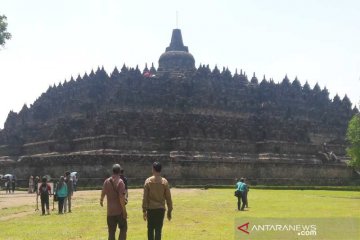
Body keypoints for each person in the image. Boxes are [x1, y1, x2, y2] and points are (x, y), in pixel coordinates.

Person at [142, 162, 173, 240]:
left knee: (150, 230)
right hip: (160, 209)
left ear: (153, 169)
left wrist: (144, 210)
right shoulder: (164, 182)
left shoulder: (148, 181)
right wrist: (169, 210)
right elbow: (168, 198)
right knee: (158, 230)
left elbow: (145, 197)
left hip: (151, 209)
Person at [100, 164, 127, 240]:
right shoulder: (120, 182)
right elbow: (121, 198)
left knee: (111, 232)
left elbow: (103, 192)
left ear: (113, 171)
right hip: (119, 211)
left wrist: (101, 200)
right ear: (119, 172)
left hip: (110, 211)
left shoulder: (107, 181)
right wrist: (124, 211)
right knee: (123, 228)